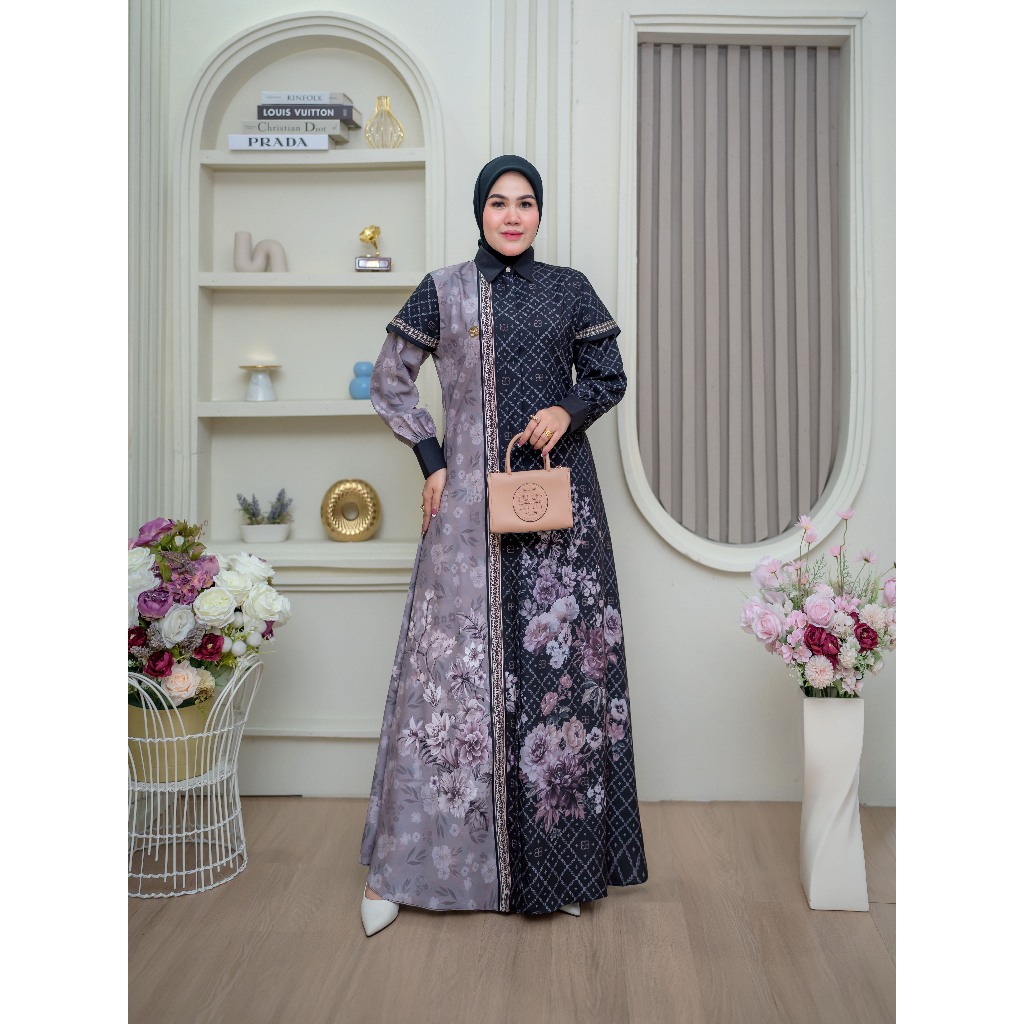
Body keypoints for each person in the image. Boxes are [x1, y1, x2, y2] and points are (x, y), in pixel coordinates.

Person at [359, 154, 648, 937]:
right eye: (498, 202)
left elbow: (609, 373)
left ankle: (560, 869)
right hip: (465, 517)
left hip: (558, 514)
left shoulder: (569, 288)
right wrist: (433, 461)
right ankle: (409, 868)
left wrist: (568, 410)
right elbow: (391, 380)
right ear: (479, 212)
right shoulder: (444, 289)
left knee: (560, 684)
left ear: (539, 213)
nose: (512, 215)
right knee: (447, 682)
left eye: (525, 203)